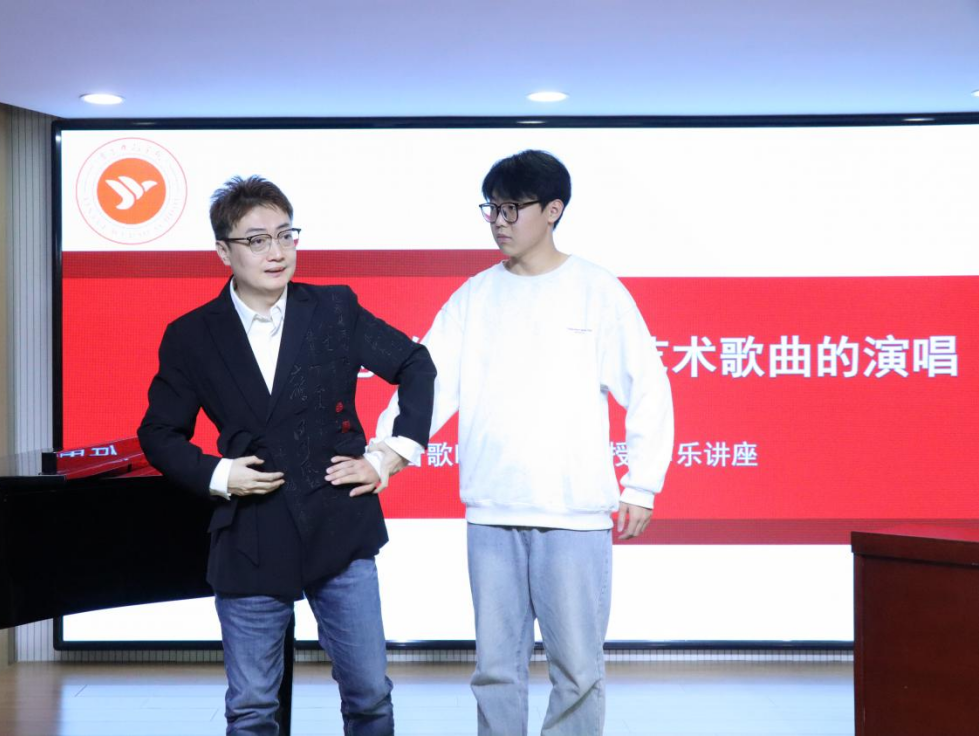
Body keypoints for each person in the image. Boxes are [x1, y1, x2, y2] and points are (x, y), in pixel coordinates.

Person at [375, 150, 674, 735]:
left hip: (574, 515)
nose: (499, 221)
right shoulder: (475, 295)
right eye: (492, 208)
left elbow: (648, 387)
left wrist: (642, 484)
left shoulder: (597, 290)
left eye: (512, 208)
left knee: (578, 672)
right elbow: (428, 383)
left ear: (553, 210)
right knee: (495, 672)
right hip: (492, 510)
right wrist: (385, 453)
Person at [138, 175, 434, 736]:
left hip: (338, 520)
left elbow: (415, 364)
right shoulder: (191, 335)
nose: (276, 252)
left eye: (285, 235)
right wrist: (219, 474)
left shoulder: (334, 308)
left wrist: (390, 456)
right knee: (252, 708)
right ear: (223, 251)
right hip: (251, 530)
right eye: (257, 240)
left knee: (370, 696)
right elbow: (158, 433)